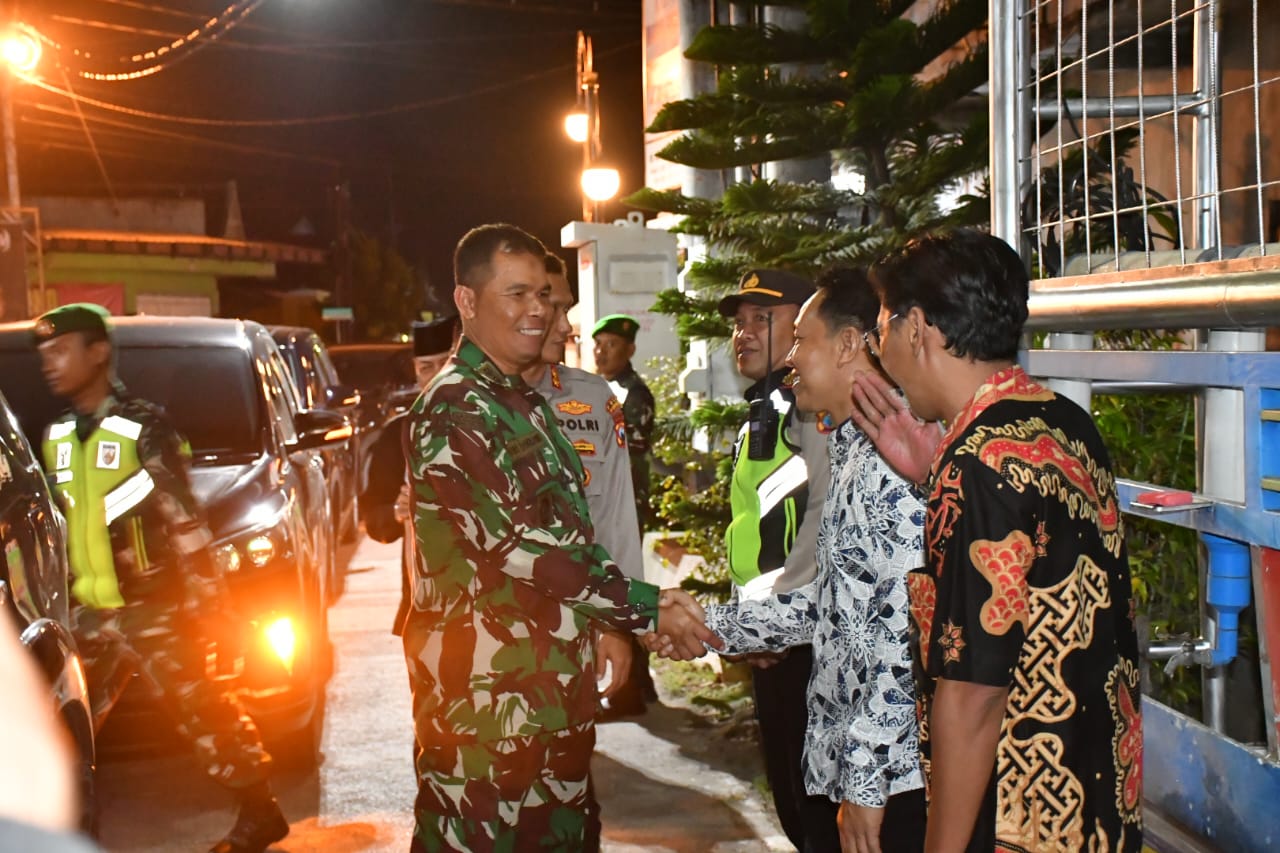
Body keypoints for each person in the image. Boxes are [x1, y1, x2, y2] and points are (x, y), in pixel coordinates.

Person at [402, 223, 716, 852]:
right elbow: (526, 548)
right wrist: (648, 608)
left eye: (543, 295)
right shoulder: (456, 408)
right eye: (517, 294)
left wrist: (619, 622)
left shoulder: (527, 403)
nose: (539, 309)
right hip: (484, 721)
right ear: (468, 302)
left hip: (552, 703)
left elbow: (581, 533)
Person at [849, 231, 1143, 852]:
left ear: (918, 328)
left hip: (1021, 815)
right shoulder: (1064, 420)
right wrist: (938, 472)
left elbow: (975, 693)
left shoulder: (978, 463)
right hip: (1094, 803)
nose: (881, 353)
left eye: (881, 330)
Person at [660, 268, 928, 852]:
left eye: (801, 340)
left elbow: (897, 641)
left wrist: (864, 786)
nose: (792, 359)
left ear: (850, 344)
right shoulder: (858, 444)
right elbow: (831, 601)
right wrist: (714, 624)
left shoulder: (893, 457)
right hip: (848, 757)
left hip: (888, 781)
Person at [32, 303, 287, 853]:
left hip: (156, 606)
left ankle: (260, 811)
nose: (48, 364)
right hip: (88, 609)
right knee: (58, 724)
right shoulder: (54, 436)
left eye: (60, 350)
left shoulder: (142, 425)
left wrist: (210, 605)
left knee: (203, 710)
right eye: (43, 354)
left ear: (97, 352)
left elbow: (185, 521)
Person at [717, 269, 840, 850]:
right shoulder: (764, 411)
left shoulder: (811, 411)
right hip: (771, 642)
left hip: (804, 644)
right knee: (794, 805)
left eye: (761, 319)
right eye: (738, 322)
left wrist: (768, 625)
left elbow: (821, 523)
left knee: (818, 814)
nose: (744, 333)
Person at [522, 254, 651, 717]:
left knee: (574, 775)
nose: (567, 328)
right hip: (490, 655)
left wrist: (620, 626)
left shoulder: (595, 399)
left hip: (576, 641)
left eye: (568, 310)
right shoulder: (465, 404)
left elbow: (616, 520)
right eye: (553, 310)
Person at [359, 315, 458, 636]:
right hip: (424, 609)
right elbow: (375, 518)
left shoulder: (493, 423)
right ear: (415, 373)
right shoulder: (398, 435)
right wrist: (396, 512)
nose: (436, 375)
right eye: (425, 367)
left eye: (445, 363)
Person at [590, 313, 655, 527]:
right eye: (598, 343)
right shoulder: (596, 387)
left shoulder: (634, 393)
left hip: (624, 498)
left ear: (630, 350)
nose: (601, 351)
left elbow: (631, 448)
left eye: (611, 344)